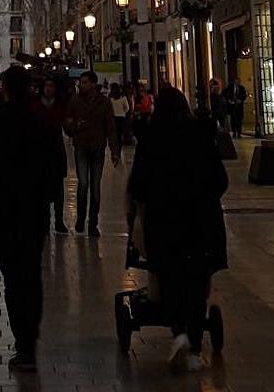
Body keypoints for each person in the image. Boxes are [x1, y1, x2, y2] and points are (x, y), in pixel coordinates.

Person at [128, 87, 228, 372]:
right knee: (197, 283)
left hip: (163, 222)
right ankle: (195, 347)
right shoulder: (201, 135)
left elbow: (138, 184)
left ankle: (179, 333)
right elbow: (220, 180)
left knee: (169, 277)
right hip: (199, 221)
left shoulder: (150, 139)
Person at [0, 65, 53, 372]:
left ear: (4, 88)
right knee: (32, 272)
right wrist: (50, 197)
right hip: (34, 207)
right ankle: (30, 340)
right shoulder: (41, 119)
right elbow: (58, 162)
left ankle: (23, 343)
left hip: (3, 207)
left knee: (13, 275)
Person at [64, 70, 120, 237]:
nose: (82, 85)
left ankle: (93, 223)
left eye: (85, 82)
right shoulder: (75, 101)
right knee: (82, 185)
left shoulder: (104, 102)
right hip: (81, 146)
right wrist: (75, 126)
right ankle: (81, 219)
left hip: (97, 148)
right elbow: (67, 124)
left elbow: (110, 127)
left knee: (95, 187)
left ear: (94, 84)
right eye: (81, 82)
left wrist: (114, 151)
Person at [33, 77, 69, 233]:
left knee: (58, 188)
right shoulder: (35, 105)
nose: (48, 88)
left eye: (51, 85)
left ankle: (59, 220)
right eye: (46, 85)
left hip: (56, 150)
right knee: (42, 188)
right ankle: (45, 220)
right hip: (40, 151)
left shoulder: (60, 105)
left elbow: (66, 125)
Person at [109, 82, 130, 149]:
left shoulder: (110, 98)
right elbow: (127, 108)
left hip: (113, 118)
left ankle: (114, 149)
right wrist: (123, 112)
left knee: (114, 135)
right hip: (121, 118)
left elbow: (108, 108)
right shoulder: (123, 97)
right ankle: (119, 149)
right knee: (120, 135)